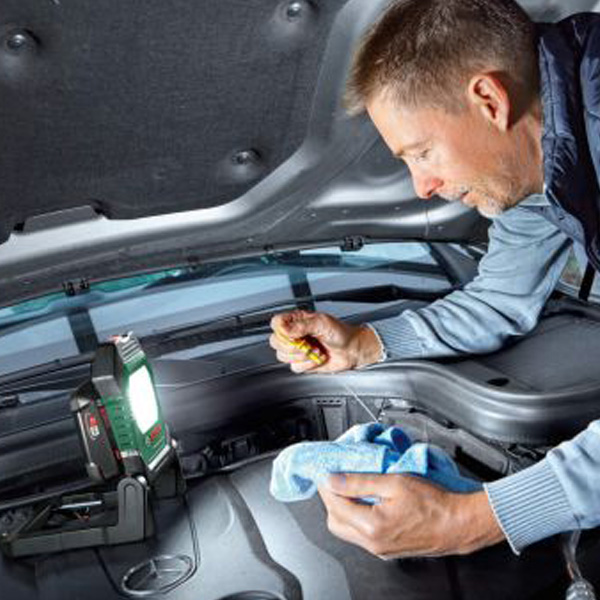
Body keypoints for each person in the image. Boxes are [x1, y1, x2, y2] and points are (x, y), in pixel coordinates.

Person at [269, 0, 600, 559]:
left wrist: (473, 519)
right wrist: (364, 344)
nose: (421, 187)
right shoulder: (541, 167)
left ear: (489, 100)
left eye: (421, 152)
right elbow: (498, 300)